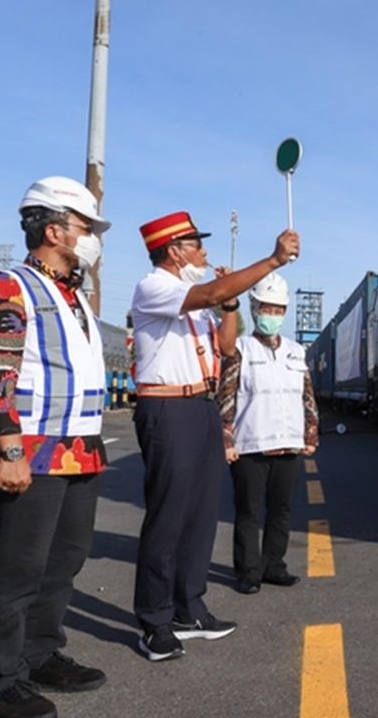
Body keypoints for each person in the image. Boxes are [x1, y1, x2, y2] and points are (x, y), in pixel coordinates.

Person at [0, 176, 112, 718]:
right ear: (55, 230)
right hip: (29, 449)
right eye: (86, 228)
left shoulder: (73, 297)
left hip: (80, 450)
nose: (94, 238)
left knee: (64, 561)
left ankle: (39, 651)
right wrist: (9, 448)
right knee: (18, 569)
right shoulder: (8, 287)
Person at [130, 212, 298, 662]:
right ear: (174, 250)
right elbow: (212, 290)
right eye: (196, 244)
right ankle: (154, 620)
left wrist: (228, 307)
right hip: (167, 405)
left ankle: (190, 607)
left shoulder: (197, 300)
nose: (205, 253)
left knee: (201, 514)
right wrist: (272, 261)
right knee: (168, 515)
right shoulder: (156, 287)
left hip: (201, 405)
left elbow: (226, 347)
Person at [217, 272, 319, 595]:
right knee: (248, 511)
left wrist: (312, 432)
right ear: (254, 308)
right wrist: (226, 438)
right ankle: (248, 571)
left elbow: (307, 395)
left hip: (288, 443)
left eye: (277, 310)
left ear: (284, 312)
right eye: (266, 308)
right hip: (250, 445)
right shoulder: (241, 350)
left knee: (282, 509)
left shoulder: (295, 351)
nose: (271, 315)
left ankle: (274, 565)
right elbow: (226, 396)